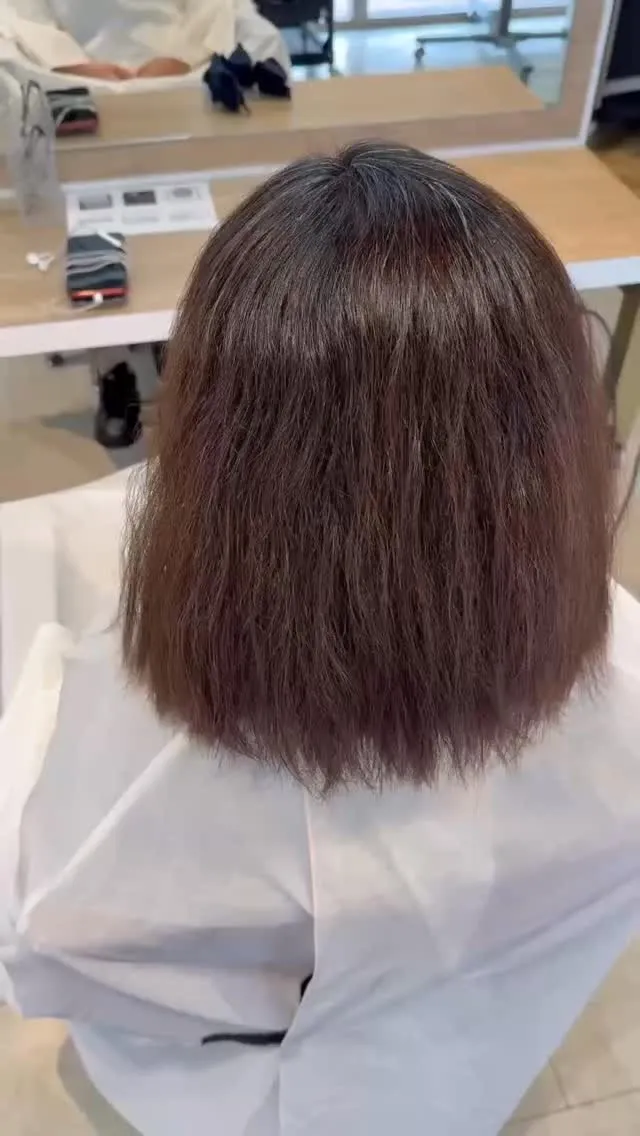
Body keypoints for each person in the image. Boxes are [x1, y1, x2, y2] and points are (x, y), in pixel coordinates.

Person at [1, 142, 640, 1136]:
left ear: (214, 434)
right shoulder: (622, 688)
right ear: (548, 432)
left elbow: (44, 949)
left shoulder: (94, 803)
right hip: (469, 1076)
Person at [0, 0, 289, 83]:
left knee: (262, 40)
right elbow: (25, 12)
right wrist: (70, 63)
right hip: (70, 73)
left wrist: (182, 58)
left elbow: (210, 7)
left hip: (186, 65)